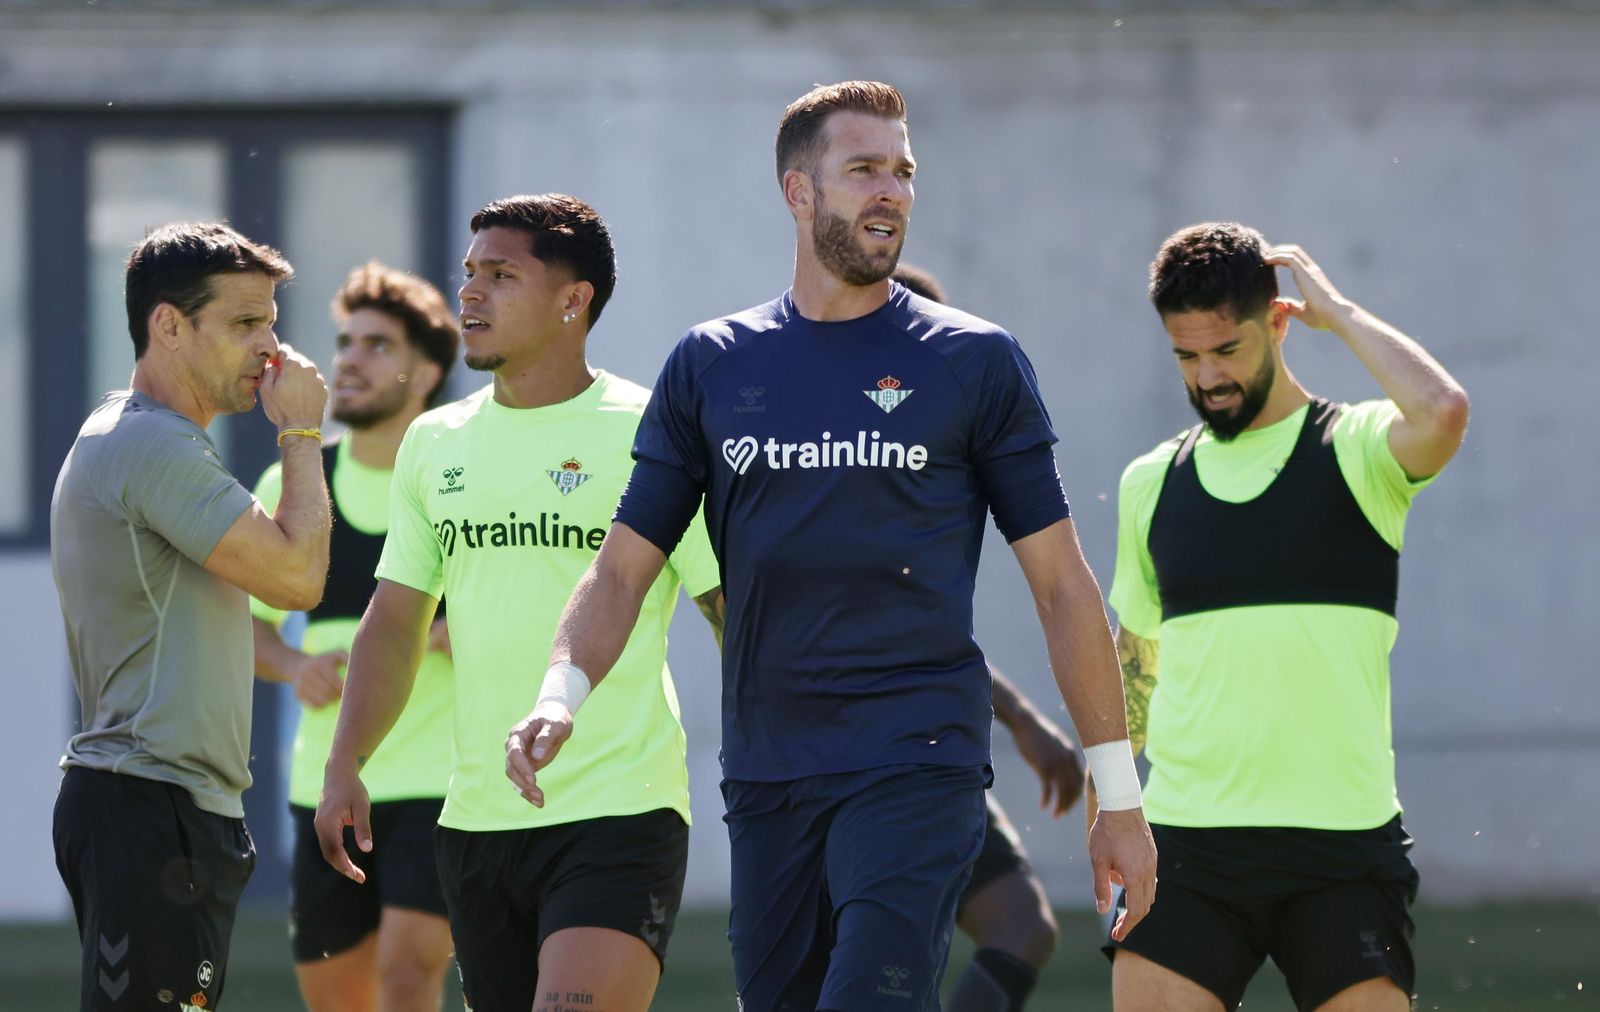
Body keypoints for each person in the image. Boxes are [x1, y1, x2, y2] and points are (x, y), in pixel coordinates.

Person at [508, 81, 1155, 1012]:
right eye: (863, 170)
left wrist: (1117, 794)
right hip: (768, 771)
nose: (890, 190)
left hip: (918, 757)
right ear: (798, 193)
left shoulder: (975, 361)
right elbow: (621, 568)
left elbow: (1062, 585)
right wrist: (558, 695)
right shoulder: (712, 364)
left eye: (902, 171)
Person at [314, 195, 725, 1012]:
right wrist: (344, 760)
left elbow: (729, 612)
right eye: (469, 274)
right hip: (474, 827)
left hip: (621, 810)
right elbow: (394, 619)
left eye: (501, 276)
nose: (470, 294)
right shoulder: (435, 443)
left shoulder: (655, 430)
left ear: (574, 300)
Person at [1101, 222, 1469, 1011]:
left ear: (1276, 322)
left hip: (1341, 848)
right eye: (1187, 357)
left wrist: (1339, 315)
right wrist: (1111, 805)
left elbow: (1442, 410)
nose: (1208, 377)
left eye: (1226, 350)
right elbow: (1135, 666)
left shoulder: (1360, 449)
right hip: (1187, 848)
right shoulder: (1150, 481)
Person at [50, 221, 330, 1011]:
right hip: (147, 808)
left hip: (162, 809)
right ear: (168, 326)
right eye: (245, 325)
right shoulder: (153, 445)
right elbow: (298, 577)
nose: (272, 352)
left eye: (273, 324)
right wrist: (303, 433)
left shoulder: (149, 438)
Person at [251, 261, 460, 1011]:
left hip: (442, 785)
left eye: (377, 345)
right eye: (345, 342)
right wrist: (292, 664)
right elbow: (243, 622)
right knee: (338, 1000)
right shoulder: (297, 481)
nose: (348, 359)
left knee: (408, 977)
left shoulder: (457, 476)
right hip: (326, 789)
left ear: (428, 370)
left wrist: (457, 627)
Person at [893, 264, 1080, 1012]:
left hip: (936, 744)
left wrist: (1023, 719)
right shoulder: (843, 465)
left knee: (1021, 926)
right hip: (858, 758)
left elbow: (927, 626)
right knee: (885, 964)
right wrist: (1027, 721)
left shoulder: (938, 451)